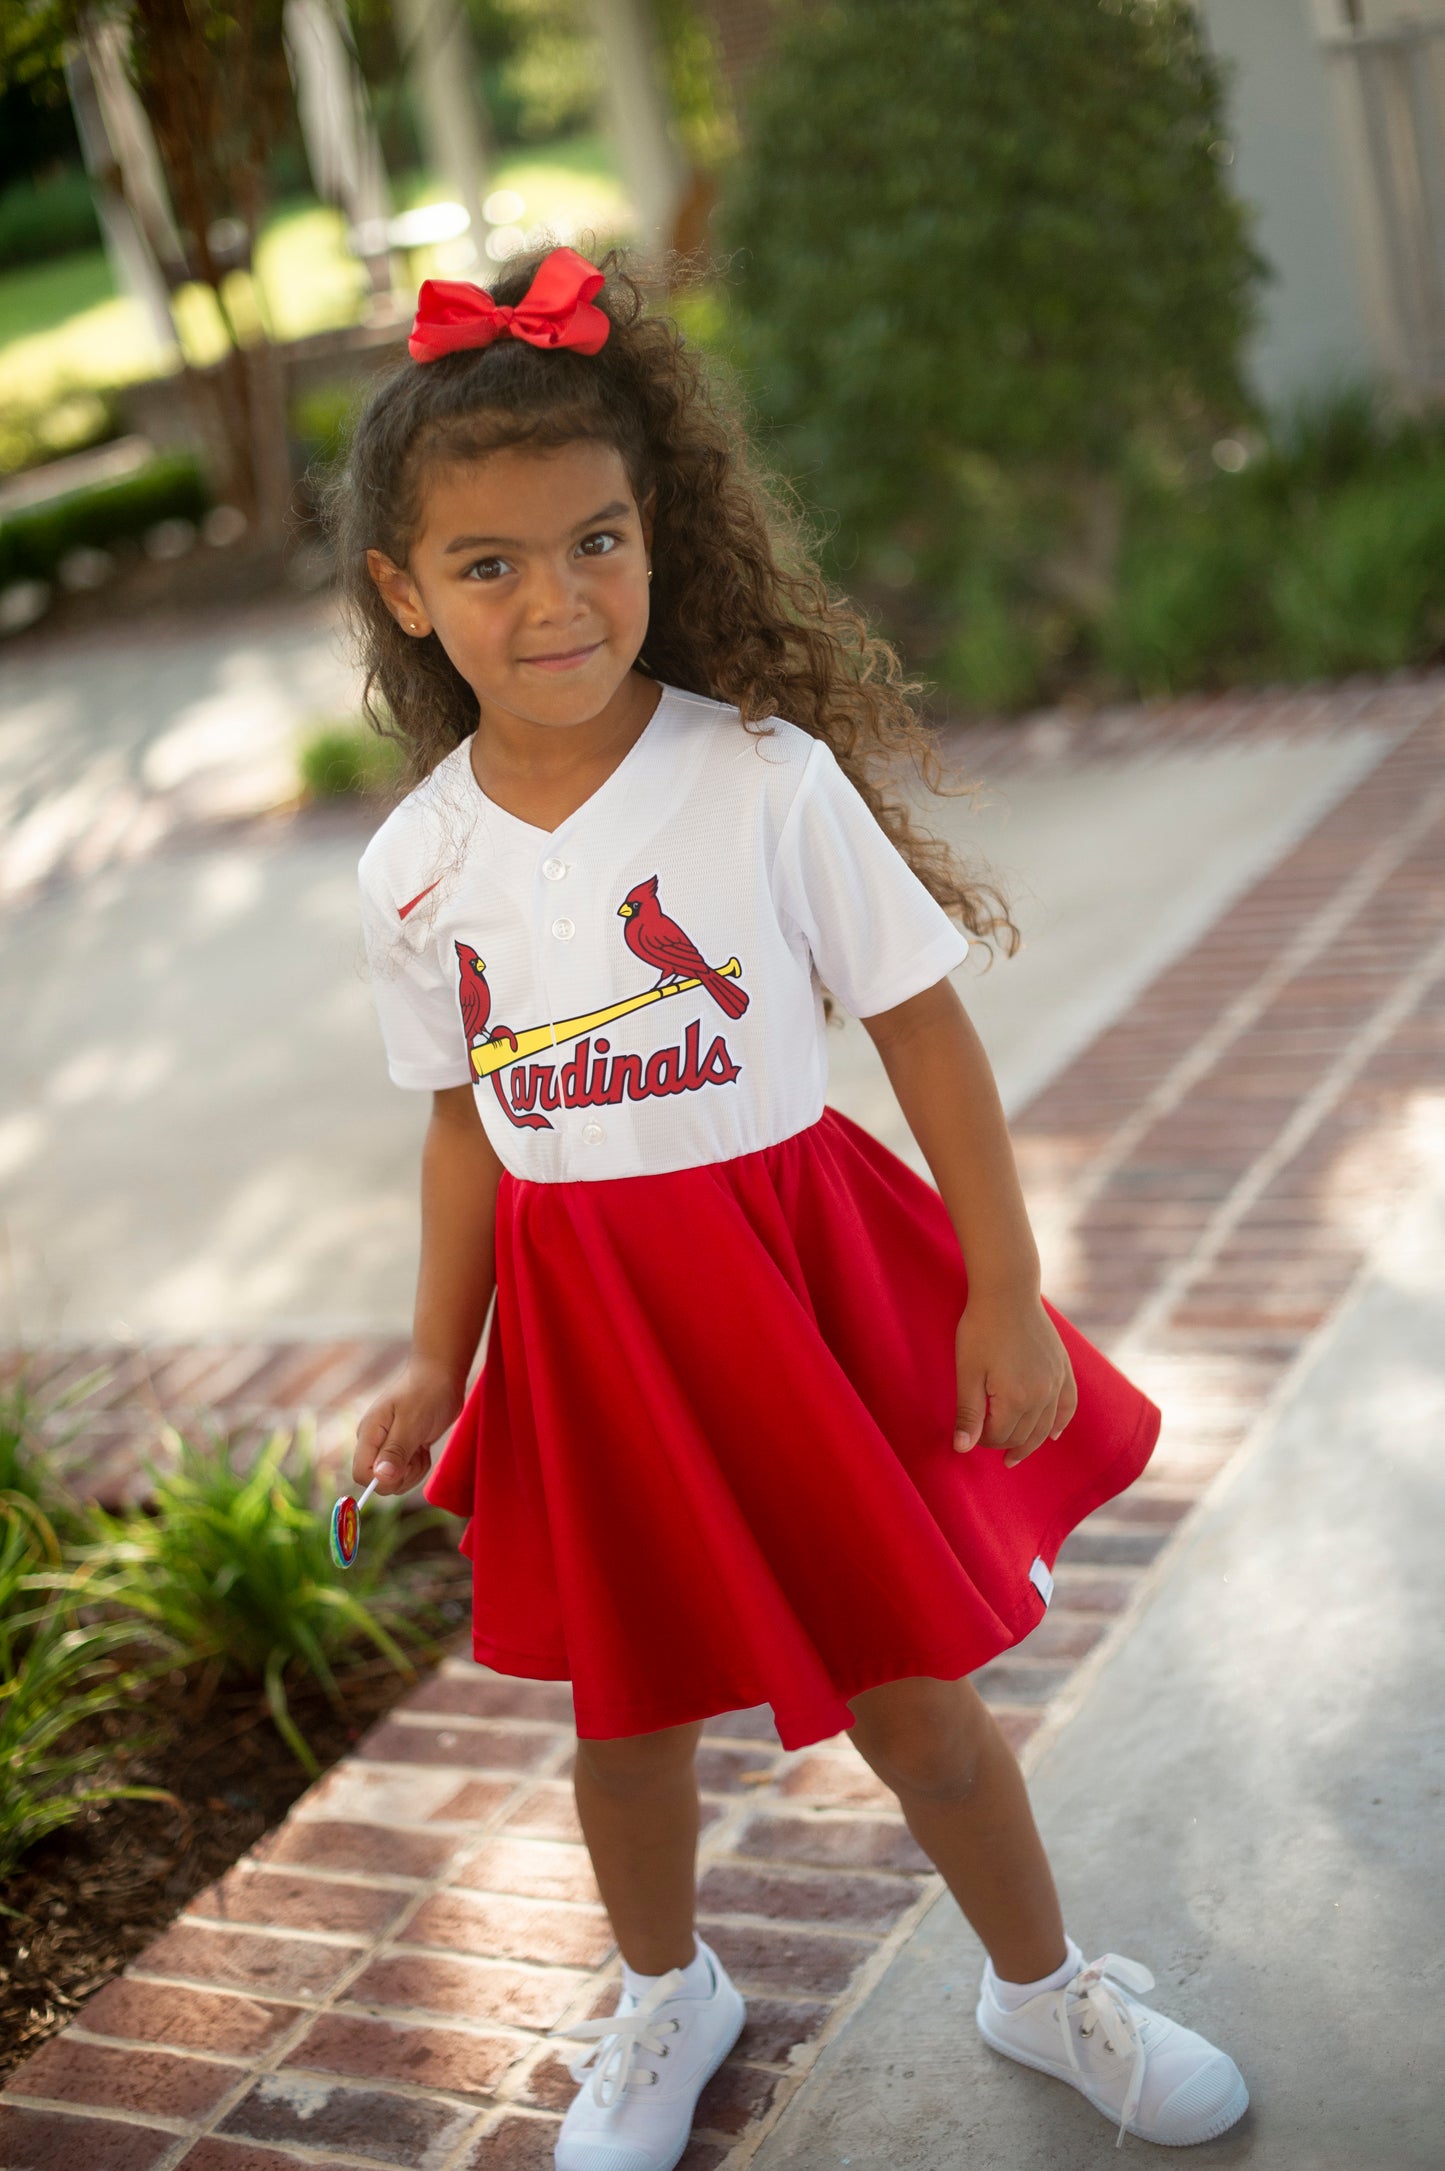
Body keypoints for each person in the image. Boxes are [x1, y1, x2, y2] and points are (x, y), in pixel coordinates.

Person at [332, 247, 1248, 2167]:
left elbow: (921, 1037)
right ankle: (669, 1998)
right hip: (592, 1329)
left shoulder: (758, 780)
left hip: (793, 1284)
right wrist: (438, 1355)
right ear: (406, 597)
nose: (554, 596)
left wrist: (999, 1290)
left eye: (595, 539)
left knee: (915, 1701)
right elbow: (459, 1128)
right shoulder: (417, 864)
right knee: (626, 1719)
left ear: (656, 537)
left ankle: (1037, 1981)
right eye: (487, 565)